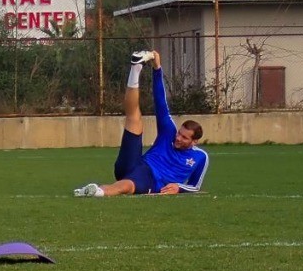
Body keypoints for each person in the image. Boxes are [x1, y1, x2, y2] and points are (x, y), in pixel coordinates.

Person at [74, 50, 208, 197]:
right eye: (179, 133)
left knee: (128, 184)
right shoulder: (169, 132)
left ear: (194, 141)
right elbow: (160, 102)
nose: (178, 138)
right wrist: (157, 69)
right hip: (134, 164)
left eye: (184, 138)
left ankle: (96, 191)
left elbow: (195, 186)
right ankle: (135, 68)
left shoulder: (201, 157)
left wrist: (179, 187)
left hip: (152, 180)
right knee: (134, 118)